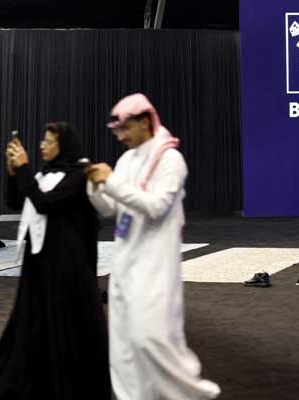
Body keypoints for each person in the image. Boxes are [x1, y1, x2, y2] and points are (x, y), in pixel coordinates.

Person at [86, 93, 221, 400]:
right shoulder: (127, 159)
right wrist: (94, 186)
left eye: (125, 129)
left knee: (151, 336)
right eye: (117, 131)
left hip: (156, 262)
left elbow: (157, 206)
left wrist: (113, 183)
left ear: (145, 122)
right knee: (123, 342)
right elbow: (110, 208)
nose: (120, 137)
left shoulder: (171, 159)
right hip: (124, 259)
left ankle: (190, 394)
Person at [0, 122, 110, 399]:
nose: (41, 146)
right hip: (40, 259)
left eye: (48, 142)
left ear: (64, 147)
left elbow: (46, 203)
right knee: (35, 318)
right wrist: (14, 173)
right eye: (43, 141)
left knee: (62, 320)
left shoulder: (78, 176)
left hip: (65, 264)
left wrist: (24, 170)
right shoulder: (45, 174)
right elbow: (18, 202)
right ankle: (27, 382)